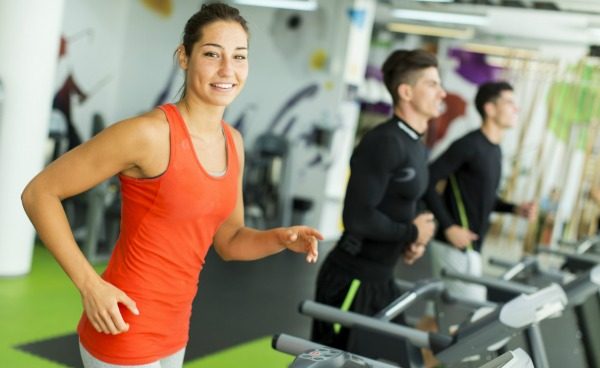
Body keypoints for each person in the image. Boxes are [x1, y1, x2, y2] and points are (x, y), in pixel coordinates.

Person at [21, 3, 323, 367]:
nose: (228, 70)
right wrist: (90, 285)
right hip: (122, 324)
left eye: (239, 57)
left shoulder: (234, 142)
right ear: (184, 56)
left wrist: (279, 238)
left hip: (176, 329)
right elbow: (40, 193)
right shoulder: (148, 134)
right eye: (212, 54)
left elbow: (229, 241)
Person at [310, 49, 444, 351]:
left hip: (382, 279)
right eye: (433, 84)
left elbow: (404, 202)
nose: (442, 92)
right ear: (406, 91)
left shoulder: (415, 144)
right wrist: (411, 232)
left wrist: (412, 241)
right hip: (352, 279)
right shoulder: (383, 142)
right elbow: (358, 218)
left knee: (398, 358)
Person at [424, 81, 537, 301]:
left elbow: (482, 197)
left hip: (471, 246)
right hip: (455, 247)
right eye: (510, 103)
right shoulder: (468, 145)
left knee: (439, 316)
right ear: (490, 108)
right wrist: (448, 226)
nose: (517, 109)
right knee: (472, 317)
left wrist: (514, 209)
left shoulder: (494, 149)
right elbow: (427, 180)